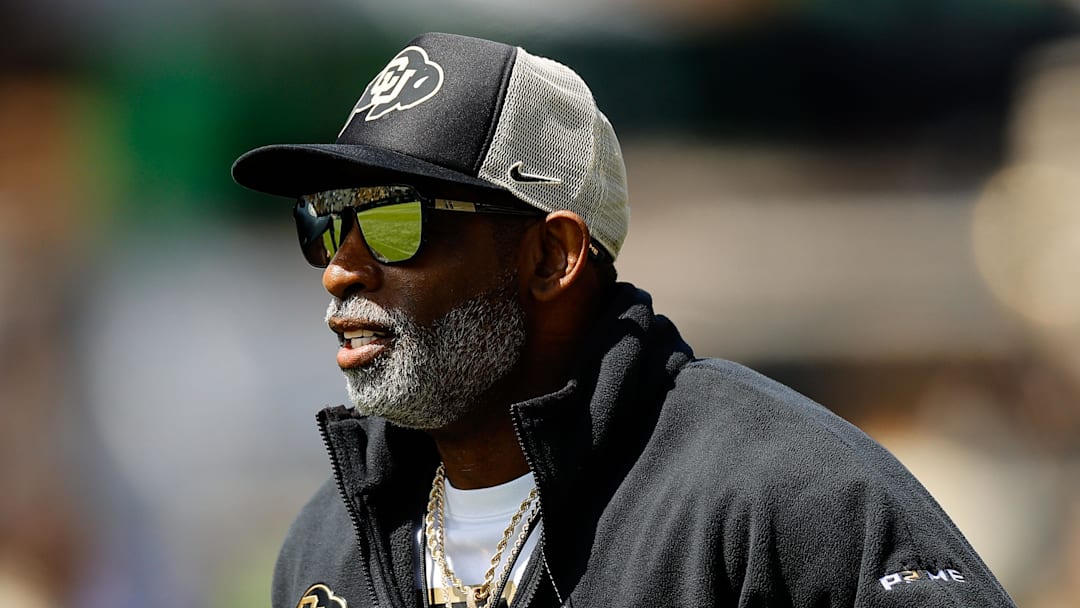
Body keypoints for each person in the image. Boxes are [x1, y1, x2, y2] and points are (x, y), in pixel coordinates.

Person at [232, 32, 1016, 608]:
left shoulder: (785, 499)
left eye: (397, 224)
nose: (341, 268)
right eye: (326, 224)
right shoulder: (327, 543)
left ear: (552, 256)